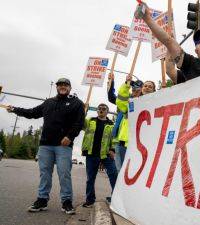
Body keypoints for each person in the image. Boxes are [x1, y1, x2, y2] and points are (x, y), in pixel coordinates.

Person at [6, 78, 85, 215]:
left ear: (70, 88)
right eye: (60, 85)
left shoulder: (76, 103)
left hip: (63, 146)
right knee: (45, 174)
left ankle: (66, 202)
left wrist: (70, 136)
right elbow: (32, 113)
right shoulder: (48, 102)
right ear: (57, 87)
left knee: (64, 174)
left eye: (65, 85)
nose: (62, 87)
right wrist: (14, 109)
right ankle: (42, 200)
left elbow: (79, 123)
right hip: (45, 145)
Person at [81, 103, 118, 207]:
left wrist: (112, 149)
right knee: (90, 178)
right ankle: (90, 200)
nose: (101, 110)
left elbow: (114, 138)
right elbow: (81, 124)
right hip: (91, 153)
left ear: (107, 111)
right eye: (100, 109)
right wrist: (84, 112)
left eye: (104, 109)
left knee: (114, 175)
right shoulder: (90, 121)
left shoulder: (112, 124)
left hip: (106, 154)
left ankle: (115, 198)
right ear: (97, 111)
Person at [108, 73, 142, 172]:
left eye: (139, 88)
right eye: (134, 88)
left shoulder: (149, 103)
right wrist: (124, 83)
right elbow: (115, 97)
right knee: (120, 174)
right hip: (122, 143)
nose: (135, 90)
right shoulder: (127, 104)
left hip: (137, 145)